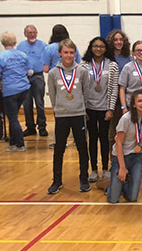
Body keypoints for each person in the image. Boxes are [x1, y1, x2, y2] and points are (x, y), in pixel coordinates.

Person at [47, 39, 91, 194]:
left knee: (82, 148)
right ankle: (57, 181)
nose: (68, 55)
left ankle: (84, 179)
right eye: (65, 52)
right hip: (61, 115)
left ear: (75, 53)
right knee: (59, 149)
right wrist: (57, 109)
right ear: (60, 53)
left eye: (71, 52)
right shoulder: (53, 73)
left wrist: (82, 108)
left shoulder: (82, 71)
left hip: (78, 114)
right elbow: (52, 94)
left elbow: (86, 92)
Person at [80, 37, 119, 183]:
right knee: (92, 139)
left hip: (104, 108)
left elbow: (114, 88)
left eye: (101, 46)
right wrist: (83, 109)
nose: (98, 49)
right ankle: (94, 169)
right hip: (89, 108)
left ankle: (105, 168)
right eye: (95, 46)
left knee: (104, 139)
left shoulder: (112, 65)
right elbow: (81, 89)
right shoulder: (84, 66)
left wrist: (110, 109)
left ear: (106, 48)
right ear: (91, 48)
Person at [118, 40, 142, 174]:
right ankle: (128, 161)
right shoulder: (128, 67)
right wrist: (123, 107)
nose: (141, 52)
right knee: (132, 134)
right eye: (138, 50)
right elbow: (122, 88)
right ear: (133, 53)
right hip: (132, 105)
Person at [108, 90, 142, 203]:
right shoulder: (126, 119)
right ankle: (108, 183)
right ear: (134, 104)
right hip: (121, 157)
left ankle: (124, 182)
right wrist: (122, 167)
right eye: (140, 101)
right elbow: (118, 143)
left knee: (132, 197)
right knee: (113, 199)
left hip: (136, 158)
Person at [0, 32, 32, 152]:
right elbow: (30, 72)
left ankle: (20, 144)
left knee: (12, 117)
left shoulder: (0, 57)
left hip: (10, 90)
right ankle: (12, 142)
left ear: (2, 42)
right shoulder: (23, 55)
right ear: (15, 41)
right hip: (24, 89)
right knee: (13, 116)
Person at [106, 29, 132, 175]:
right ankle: (113, 162)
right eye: (115, 40)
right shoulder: (107, 58)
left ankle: (128, 162)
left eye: (120, 39)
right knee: (113, 133)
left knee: (128, 132)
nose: (118, 42)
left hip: (126, 98)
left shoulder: (128, 57)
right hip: (112, 100)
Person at [17, 25, 48, 137]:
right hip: (25, 78)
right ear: (25, 34)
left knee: (39, 102)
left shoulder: (43, 45)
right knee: (27, 103)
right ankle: (30, 127)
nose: (32, 35)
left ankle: (42, 127)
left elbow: (47, 59)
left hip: (38, 77)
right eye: (30, 33)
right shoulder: (20, 46)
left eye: (34, 32)